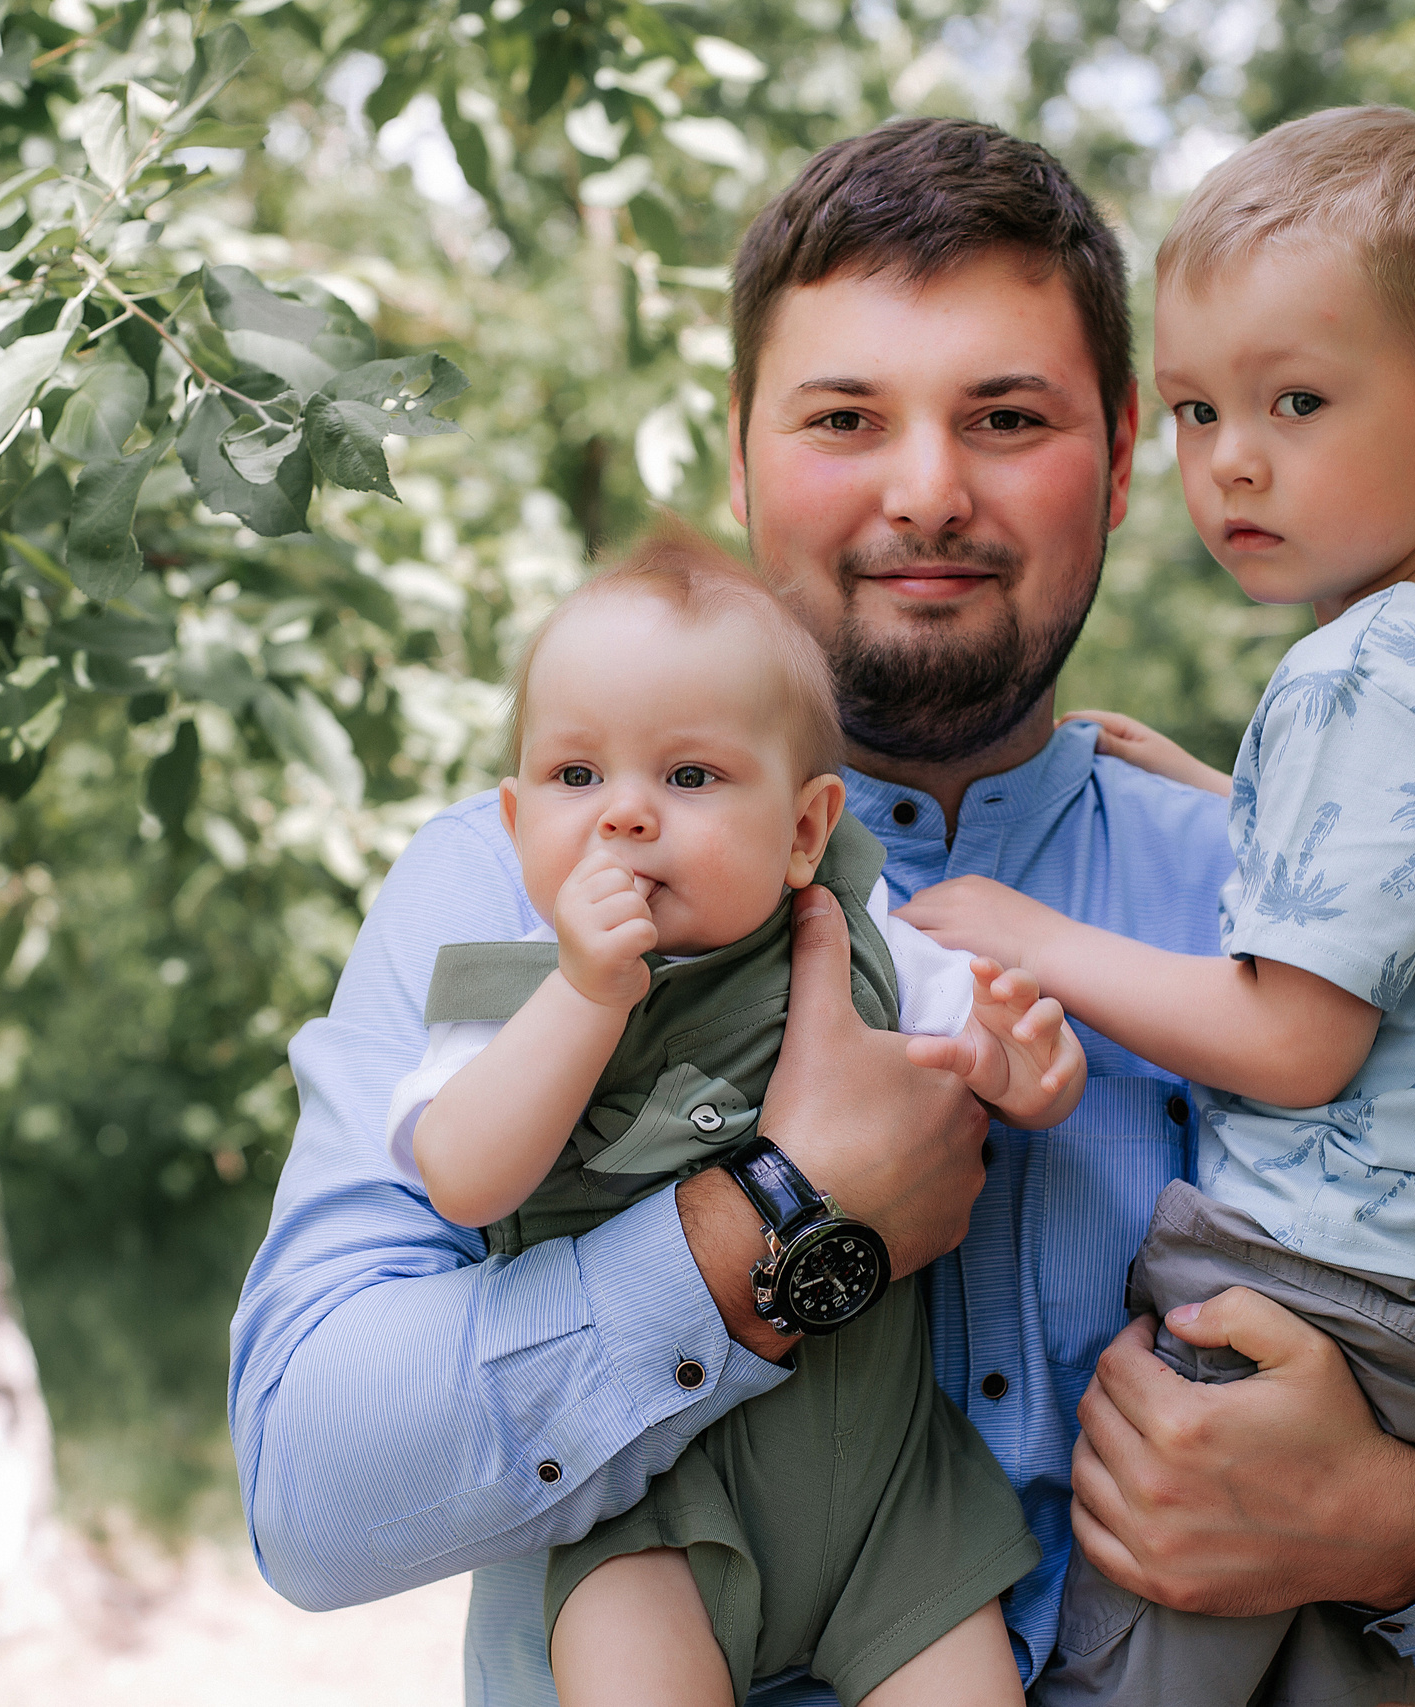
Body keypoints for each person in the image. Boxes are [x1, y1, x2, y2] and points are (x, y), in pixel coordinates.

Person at [228, 117, 1415, 1707]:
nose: (926, 489)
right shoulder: (515, 884)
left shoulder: (1265, 883)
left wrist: (1396, 1521)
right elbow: (311, 1486)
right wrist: (775, 1223)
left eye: (1005, 417)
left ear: (1121, 458)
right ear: (743, 452)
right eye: (845, 417)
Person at [895, 106, 1415, 1705]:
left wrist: (1035, 936)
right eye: (1194, 408)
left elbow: (1297, 1040)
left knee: (1155, 1609)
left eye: (1297, 400)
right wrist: (1231, 802)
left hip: (1341, 1282)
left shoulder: (1351, 673)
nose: (1230, 458)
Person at [394, 525, 1084, 1706]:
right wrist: (582, 998)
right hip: (648, 1506)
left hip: (887, 1503)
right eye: (576, 777)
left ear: (807, 829)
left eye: (689, 776)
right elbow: (462, 1176)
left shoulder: (868, 947)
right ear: (514, 829)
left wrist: (1025, 1068)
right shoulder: (511, 994)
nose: (624, 816)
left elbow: (980, 1054)